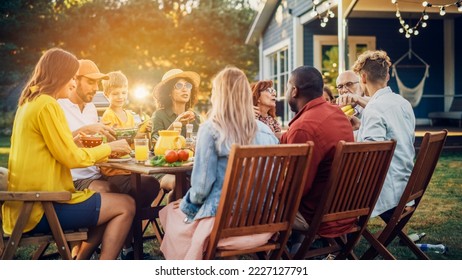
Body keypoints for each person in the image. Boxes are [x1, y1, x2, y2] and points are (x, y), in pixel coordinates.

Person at [3, 48, 135, 260]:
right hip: (41, 206)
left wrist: (72, 141)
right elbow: (72, 158)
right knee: (125, 205)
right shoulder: (48, 105)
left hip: (29, 204)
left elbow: (51, 149)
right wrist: (111, 148)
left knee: (109, 201)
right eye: (73, 77)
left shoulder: (30, 102)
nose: (73, 83)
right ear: (61, 76)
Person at [159, 66, 279, 259]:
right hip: (263, 225)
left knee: (170, 212)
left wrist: (188, 209)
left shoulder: (212, 129)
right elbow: (275, 181)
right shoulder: (266, 131)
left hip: (224, 227)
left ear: (219, 95)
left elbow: (200, 189)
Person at [281, 66, 355, 251]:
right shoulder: (337, 114)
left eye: (287, 87)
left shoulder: (304, 127)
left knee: (250, 201)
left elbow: (294, 189)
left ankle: (271, 256)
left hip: (317, 215)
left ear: (295, 90)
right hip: (345, 208)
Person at [351, 50, 415, 219]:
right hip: (407, 186)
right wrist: (360, 128)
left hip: (386, 193)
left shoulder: (373, 108)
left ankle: (340, 240)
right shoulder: (404, 104)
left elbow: (371, 156)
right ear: (387, 76)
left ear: (363, 78)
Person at [151, 69, 202, 199]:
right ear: (169, 92)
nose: (185, 89)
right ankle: (173, 215)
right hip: (162, 168)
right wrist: (176, 124)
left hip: (188, 169)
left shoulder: (194, 116)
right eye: (179, 86)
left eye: (188, 86)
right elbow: (156, 145)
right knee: (181, 184)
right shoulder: (159, 115)